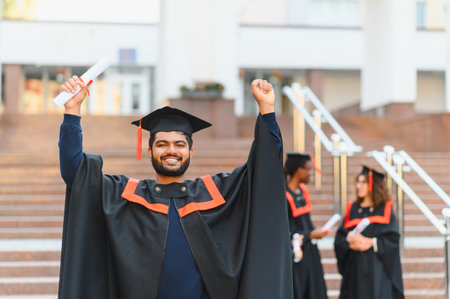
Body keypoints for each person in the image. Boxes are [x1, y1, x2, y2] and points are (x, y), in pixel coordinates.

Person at [57, 76, 293, 299]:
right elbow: (77, 174)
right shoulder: (124, 197)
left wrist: (267, 110)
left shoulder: (214, 194)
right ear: (150, 151)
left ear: (191, 151)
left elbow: (264, 168)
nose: (171, 150)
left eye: (179, 144)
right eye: (162, 144)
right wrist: (72, 111)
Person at [334, 166, 404, 299]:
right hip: (354, 274)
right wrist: (348, 241)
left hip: (378, 273)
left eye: (363, 182)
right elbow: (339, 239)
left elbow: (393, 240)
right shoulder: (353, 209)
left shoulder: (385, 210)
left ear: (374, 185)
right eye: (357, 182)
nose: (358, 186)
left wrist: (371, 242)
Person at [284, 152, 328, 299]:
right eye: (308, 169)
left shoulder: (302, 192)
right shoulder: (285, 196)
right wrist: (310, 234)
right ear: (298, 171)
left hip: (310, 251)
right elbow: (287, 230)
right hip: (296, 254)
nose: (310, 173)